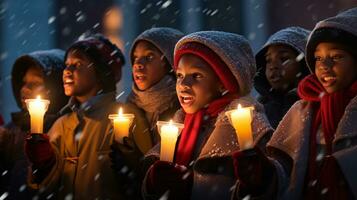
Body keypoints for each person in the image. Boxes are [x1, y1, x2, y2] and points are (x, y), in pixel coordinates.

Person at [232, 7, 357, 199]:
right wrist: (262, 174)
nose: (324, 66)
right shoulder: (303, 110)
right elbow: (286, 173)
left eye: (337, 56)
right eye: (318, 58)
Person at [142, 31, 273, 200]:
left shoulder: (248, 123)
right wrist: (154, 183)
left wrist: (255, 184)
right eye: (179, 75)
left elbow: (270, 186)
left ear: (222, 83)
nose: (183, 84)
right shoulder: (177, 125)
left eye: (196, 76)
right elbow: (150, 187)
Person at [24, 34, 152, 199]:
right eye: (66, 65)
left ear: (100, 72)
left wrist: (129, 164)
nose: (67, 71)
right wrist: (42, 163)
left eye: (77, 64)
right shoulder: (62, 124)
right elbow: (44, 185)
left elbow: (146, 176)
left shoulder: (127, 116)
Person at [0, 49, 68, 199]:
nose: (25, 89)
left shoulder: (66, 129)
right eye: (24, 82)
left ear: (56, 87)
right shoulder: (12, 131)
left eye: (35, 83)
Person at [254, 26, 311, 128]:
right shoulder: (259, 109)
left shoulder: (312, 104)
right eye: (268, 60)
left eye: (283, 58)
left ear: (304, 64)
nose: (273, 66)